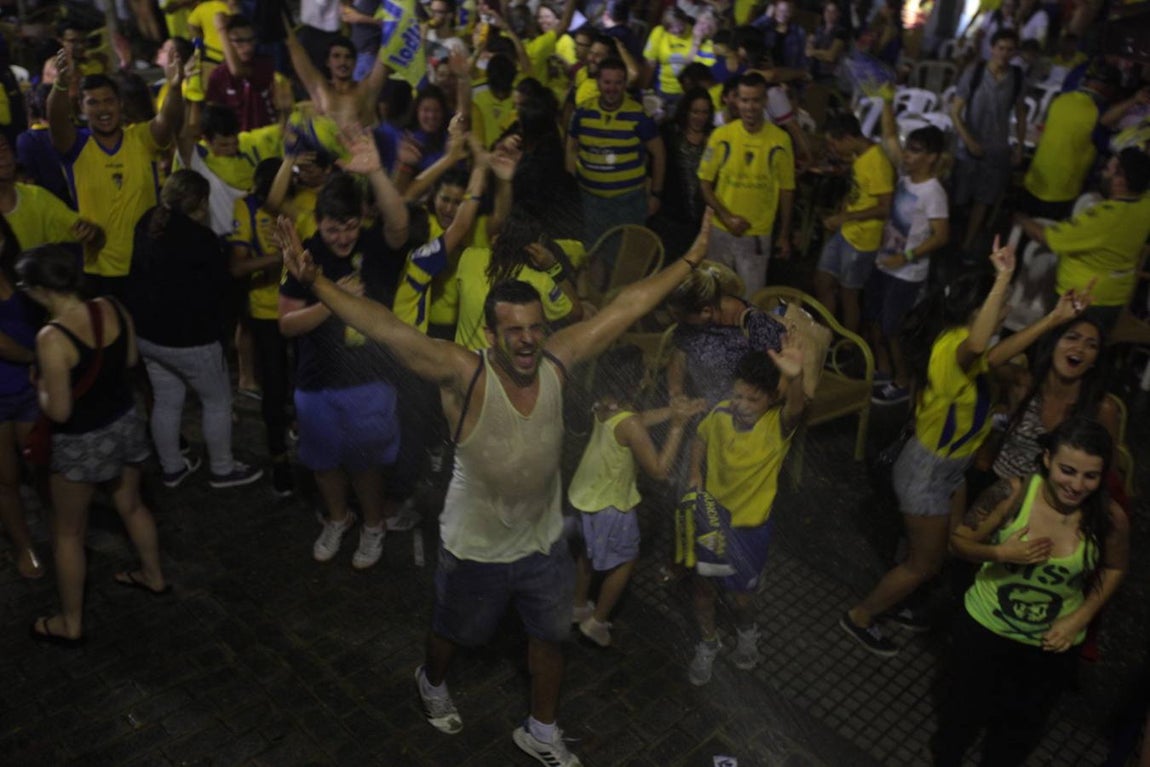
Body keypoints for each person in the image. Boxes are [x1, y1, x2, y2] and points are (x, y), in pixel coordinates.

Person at [276, 206, 714, 767]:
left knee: (549, 638)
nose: (528, 341)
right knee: (454, 634)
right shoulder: (465, 373)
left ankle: (542, 729)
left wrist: (690, 260)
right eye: (515, 331)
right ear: (490, 334)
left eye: (535, 328)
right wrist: (316, 283)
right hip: (475, 546)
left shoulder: (557, 361)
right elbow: (385, 327)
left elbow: (627, 306)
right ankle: (431, 680)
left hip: (541, 542)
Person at [840, 240, 1094, 656]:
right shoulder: (953, 346)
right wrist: (1003, 278)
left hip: (948, 470)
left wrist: (1054, 319)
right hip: (926, 472)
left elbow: (993, 357)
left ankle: (905, 599)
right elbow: (978, 348)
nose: (1007, 310)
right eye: (1001, 304)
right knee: (923, 564)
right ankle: (861, 616)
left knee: (949, 547)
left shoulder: (970, 347)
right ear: (977, 311)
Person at [933, 416, 1128, 766]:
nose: (1077, 485)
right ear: (1048, 459)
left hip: (1048, 645)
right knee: (959, 717)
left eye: (1090, 476)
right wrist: (1001, 553)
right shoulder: (1012, 493)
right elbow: (959, 543)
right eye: (1068, 470)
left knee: (1016, 733)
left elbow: (1115, 567)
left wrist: (1079, 619)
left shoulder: (1109, 517)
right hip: (985, 631)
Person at [21, 246, 167, 645]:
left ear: (40, 289)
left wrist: (40, 388)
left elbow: (60, 410)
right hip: (125, 422)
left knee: (68, 533)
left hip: (81, 441)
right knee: (132, 505)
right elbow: (130, 359)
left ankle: (70, 623)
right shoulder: (112, 306)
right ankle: (153, 575)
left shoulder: (52, 337)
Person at [278, 131, 410, 570]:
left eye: (350, 226)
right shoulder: (305, 256)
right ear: (318, 222)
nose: (342, 237)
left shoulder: (373, 246)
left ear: (362, 218)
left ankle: (373, 524)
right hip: (317, 381)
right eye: (332, 228)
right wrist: (331, 300)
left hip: (368, 380)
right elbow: (286, 323)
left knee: (366, 463)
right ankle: (338, 517)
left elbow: (399, 227)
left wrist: (376, 172)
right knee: (323, 462)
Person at [128, 170, 264, 490]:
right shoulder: (200, 239)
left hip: (148, 335)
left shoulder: (148, 221)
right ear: (201, 203)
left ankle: (172, 467)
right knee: (217, 402)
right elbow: (220, 288)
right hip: (191, 340)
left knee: (166, 399)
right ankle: (222, 469)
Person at [686, 339, 808, 686]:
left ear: (771, 399)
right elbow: (700, 437)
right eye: (737, 395)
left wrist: (795, 378)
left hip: (750, 530)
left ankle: (747, 631)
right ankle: (709, 641)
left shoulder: (776, 426)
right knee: (704, 588)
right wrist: (695, 472)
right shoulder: (720, 413)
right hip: (712, 522)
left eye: (752, 399)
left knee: (742, 598)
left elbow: (796, 408)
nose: (741, 404)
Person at [569, 346, 702, 647]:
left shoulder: (604, 404)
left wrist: (672, 411)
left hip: (588, 495)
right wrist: (677, 427)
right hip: (611, 504)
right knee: (626, 560)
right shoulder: (629, 423)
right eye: (645, 372)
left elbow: (637, 419)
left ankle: (577, 605)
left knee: (588, 552)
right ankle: (597, 622)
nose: (649, 376)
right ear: (638, 381)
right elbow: (658, 470)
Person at [46, 50, 185, 301]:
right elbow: (55, 119)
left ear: (120, 103)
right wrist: (61, 85)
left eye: (108, 100)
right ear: (81, 107)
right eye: (93, 102)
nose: (103, 109)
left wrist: (175, 88)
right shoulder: (76, 146)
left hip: (146, 262)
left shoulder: (141, 138)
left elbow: (169, 119)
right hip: (98, 268)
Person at [867, 94, 950, 405]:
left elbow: (942, 236)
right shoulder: (904, 177)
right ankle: (884, 371)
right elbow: (890, 136)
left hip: (907, 273)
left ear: (931, 157)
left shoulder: (933, 192)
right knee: (877, 320)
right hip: (885, 263)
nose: (907, 154)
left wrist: (907, 256)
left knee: (893, 328)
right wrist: (887, 102)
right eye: (909, 148)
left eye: (915, 150)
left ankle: (902, 383)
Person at [1014, 148, 1150, 332]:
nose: (1103, 172)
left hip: (1081, 299)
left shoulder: (1105, 218)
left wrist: (1021, 219)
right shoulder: (1144, 203)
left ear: (1120, 181)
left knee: (1060, 343)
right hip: (1113, 298)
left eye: (1108, 170)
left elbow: (1047, 237)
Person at [698, 72, 795, 298]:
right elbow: (704, 182)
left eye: (755, 100)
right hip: (720, 231)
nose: (750, 107)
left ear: (765, 101)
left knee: (751, 299)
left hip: (756, 235)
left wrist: (784, 234)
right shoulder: (721, 136)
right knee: (716, 295)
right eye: (744, 100)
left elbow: (787, 189)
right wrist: (726, 217)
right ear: (736, 101)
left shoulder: (780, 140)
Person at [989, 317, 1120, 484]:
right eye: (1072, 337)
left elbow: (1108, 470)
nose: (1079, 348)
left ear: (1095, 360)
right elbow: (990, 361)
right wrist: (1051, 320)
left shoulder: (1102, 407)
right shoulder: (1025, 385)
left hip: (1054, 497)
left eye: (1091, 345)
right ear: (1053, 344)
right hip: (1000, 487)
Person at [230, 159, 295, 496]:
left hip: (303, 307)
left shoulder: (304, 203)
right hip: (267, 312)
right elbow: (238, 267)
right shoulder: (246, 208)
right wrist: (282, 258)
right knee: (274, 386)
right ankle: (279, 458)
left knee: (301, 381)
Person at [566, 56, 664, 247]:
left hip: (629, 201)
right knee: (594, 251)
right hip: (591, 200)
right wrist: (573, 183)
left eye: (618, 83)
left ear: (625, 84)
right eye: (607, 82)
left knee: (628, 253)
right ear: (598, 82)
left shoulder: (639, 115)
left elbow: (659, 153)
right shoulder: (582, 113)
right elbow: (571, 148)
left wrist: (656, 194)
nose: (612, 88)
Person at [814, 112, 894, 336]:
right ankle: (823, 335)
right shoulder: (860, 154)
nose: (833, 149)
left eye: (834, 143)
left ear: (848, 138)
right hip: (846, 232)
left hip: (862, 241)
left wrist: (846, 217)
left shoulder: (878, 162)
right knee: (822, 281)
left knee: (849, 294)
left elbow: (885, 208)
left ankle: (849, 344)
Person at [666, 261, 785, 407]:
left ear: (706, 311)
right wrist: (676, 393)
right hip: (701, 406)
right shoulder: (693, 324)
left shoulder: (758, 326)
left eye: (682, 316)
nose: (678, 321)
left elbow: (777, 383)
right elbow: (679, 354)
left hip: (742, 411)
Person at [950, 28, 1027, 252]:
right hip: (968, 150)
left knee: (983, 200)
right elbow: (955, 112)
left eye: (1009, 50)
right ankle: (950, 241)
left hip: (997, 149)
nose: (1004, 54)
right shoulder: (975, 73)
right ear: (992, 49)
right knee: (959, 198)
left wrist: (1019, 147)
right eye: (1000, 48)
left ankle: (967, 245)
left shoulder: (1017, 78)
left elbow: (1021, 114)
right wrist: (969, 141)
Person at [1020, 65, 1119, 220]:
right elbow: (1105, 146)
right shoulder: (1098, 111)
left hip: (1035, 179)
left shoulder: (1061, 99)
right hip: (1062, 190)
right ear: (1109, 88)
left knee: (1021, 226)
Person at [0, 216, 41, 579]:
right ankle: (23, 546)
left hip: (29, 389)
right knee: (7, 479)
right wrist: (35, 358)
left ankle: (65, 532)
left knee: (42, 467)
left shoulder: (16, 271)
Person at [285, 27, 389, 129]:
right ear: (328, 62)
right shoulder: (320, 89)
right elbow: (294, 47)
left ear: (355, 63)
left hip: (361, 139)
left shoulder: (366, 90)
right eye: (336, 56)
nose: (343, 62)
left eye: (348, 57)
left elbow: (385, 56)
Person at [652, 87, 712, 256]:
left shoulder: (715, 137)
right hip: (673, 216)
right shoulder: (670, 133)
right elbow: (655, 166)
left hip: (704, 218)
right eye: (695, 112)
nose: (700, 117)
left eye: (705, 112)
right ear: (686, 111)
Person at [205, 15, 283, 132]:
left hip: (266, 136)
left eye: (251, 40)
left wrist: (221, 29)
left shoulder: (264, 64)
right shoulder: (217, 75)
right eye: (239, 41)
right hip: (234, 139)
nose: (248, 48)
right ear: (227, 43)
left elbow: (237, 71)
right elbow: (213, 116)